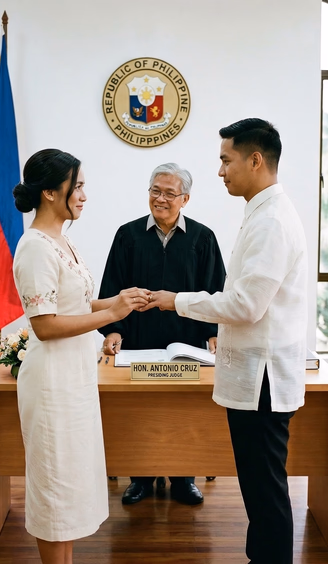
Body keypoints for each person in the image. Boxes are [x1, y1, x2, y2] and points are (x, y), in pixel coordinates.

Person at [145, 118, 308, 564]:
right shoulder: (261, 210)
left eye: (225, 160)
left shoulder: (272, 219)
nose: (220, 171)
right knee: (258, 489)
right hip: (255, 377)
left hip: (263, 381)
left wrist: (175, 300)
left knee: (266, 491)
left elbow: (244, 306)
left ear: (255, 160)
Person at [12, 148, 150, 564]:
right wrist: (111, 314)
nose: (85, 194)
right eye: (79, 185)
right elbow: (46, 325)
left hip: (75, 377)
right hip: (52, 381)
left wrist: (114, 300)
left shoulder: (61, 240)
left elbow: (76, 304)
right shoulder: (35, 246)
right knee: (54, 484)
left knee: (69, 483)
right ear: (51, 192)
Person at [98, 162, 226, 506]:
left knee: (184, 412)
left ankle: (185, 478)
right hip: (139, 340)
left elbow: (216, 292)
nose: (161, 199)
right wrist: (113, 330)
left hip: (188, 342)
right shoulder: (128, 235)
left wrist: (213, 332)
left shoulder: (202, 238)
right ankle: (139, 477)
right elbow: (112, 288)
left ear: (185, 198)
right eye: (156, 190)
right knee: (139, 411)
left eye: (170, 193)